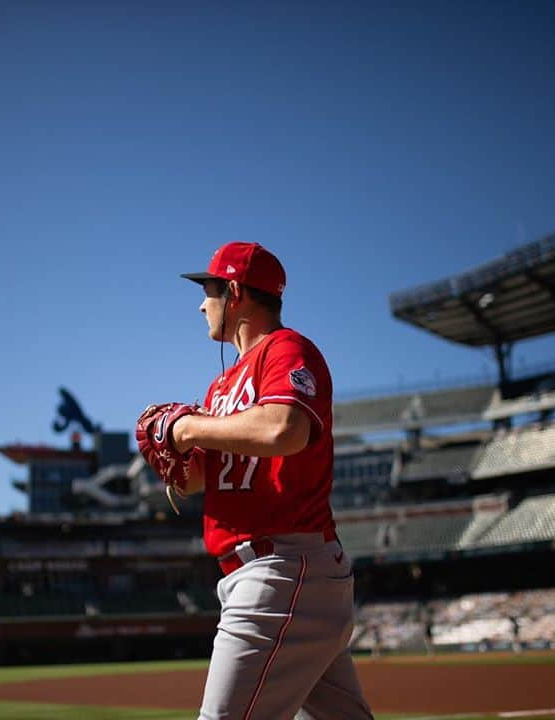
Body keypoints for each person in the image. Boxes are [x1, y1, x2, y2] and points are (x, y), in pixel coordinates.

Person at [137, 242, 373, 719]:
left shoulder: (287, 349)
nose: (202, 304)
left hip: (283, 567)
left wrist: (186, 428)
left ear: (236, 292)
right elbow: (200, 482)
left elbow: (283, 429)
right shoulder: (220, 387)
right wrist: (172, 459)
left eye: (209, 290)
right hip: (262, 573)